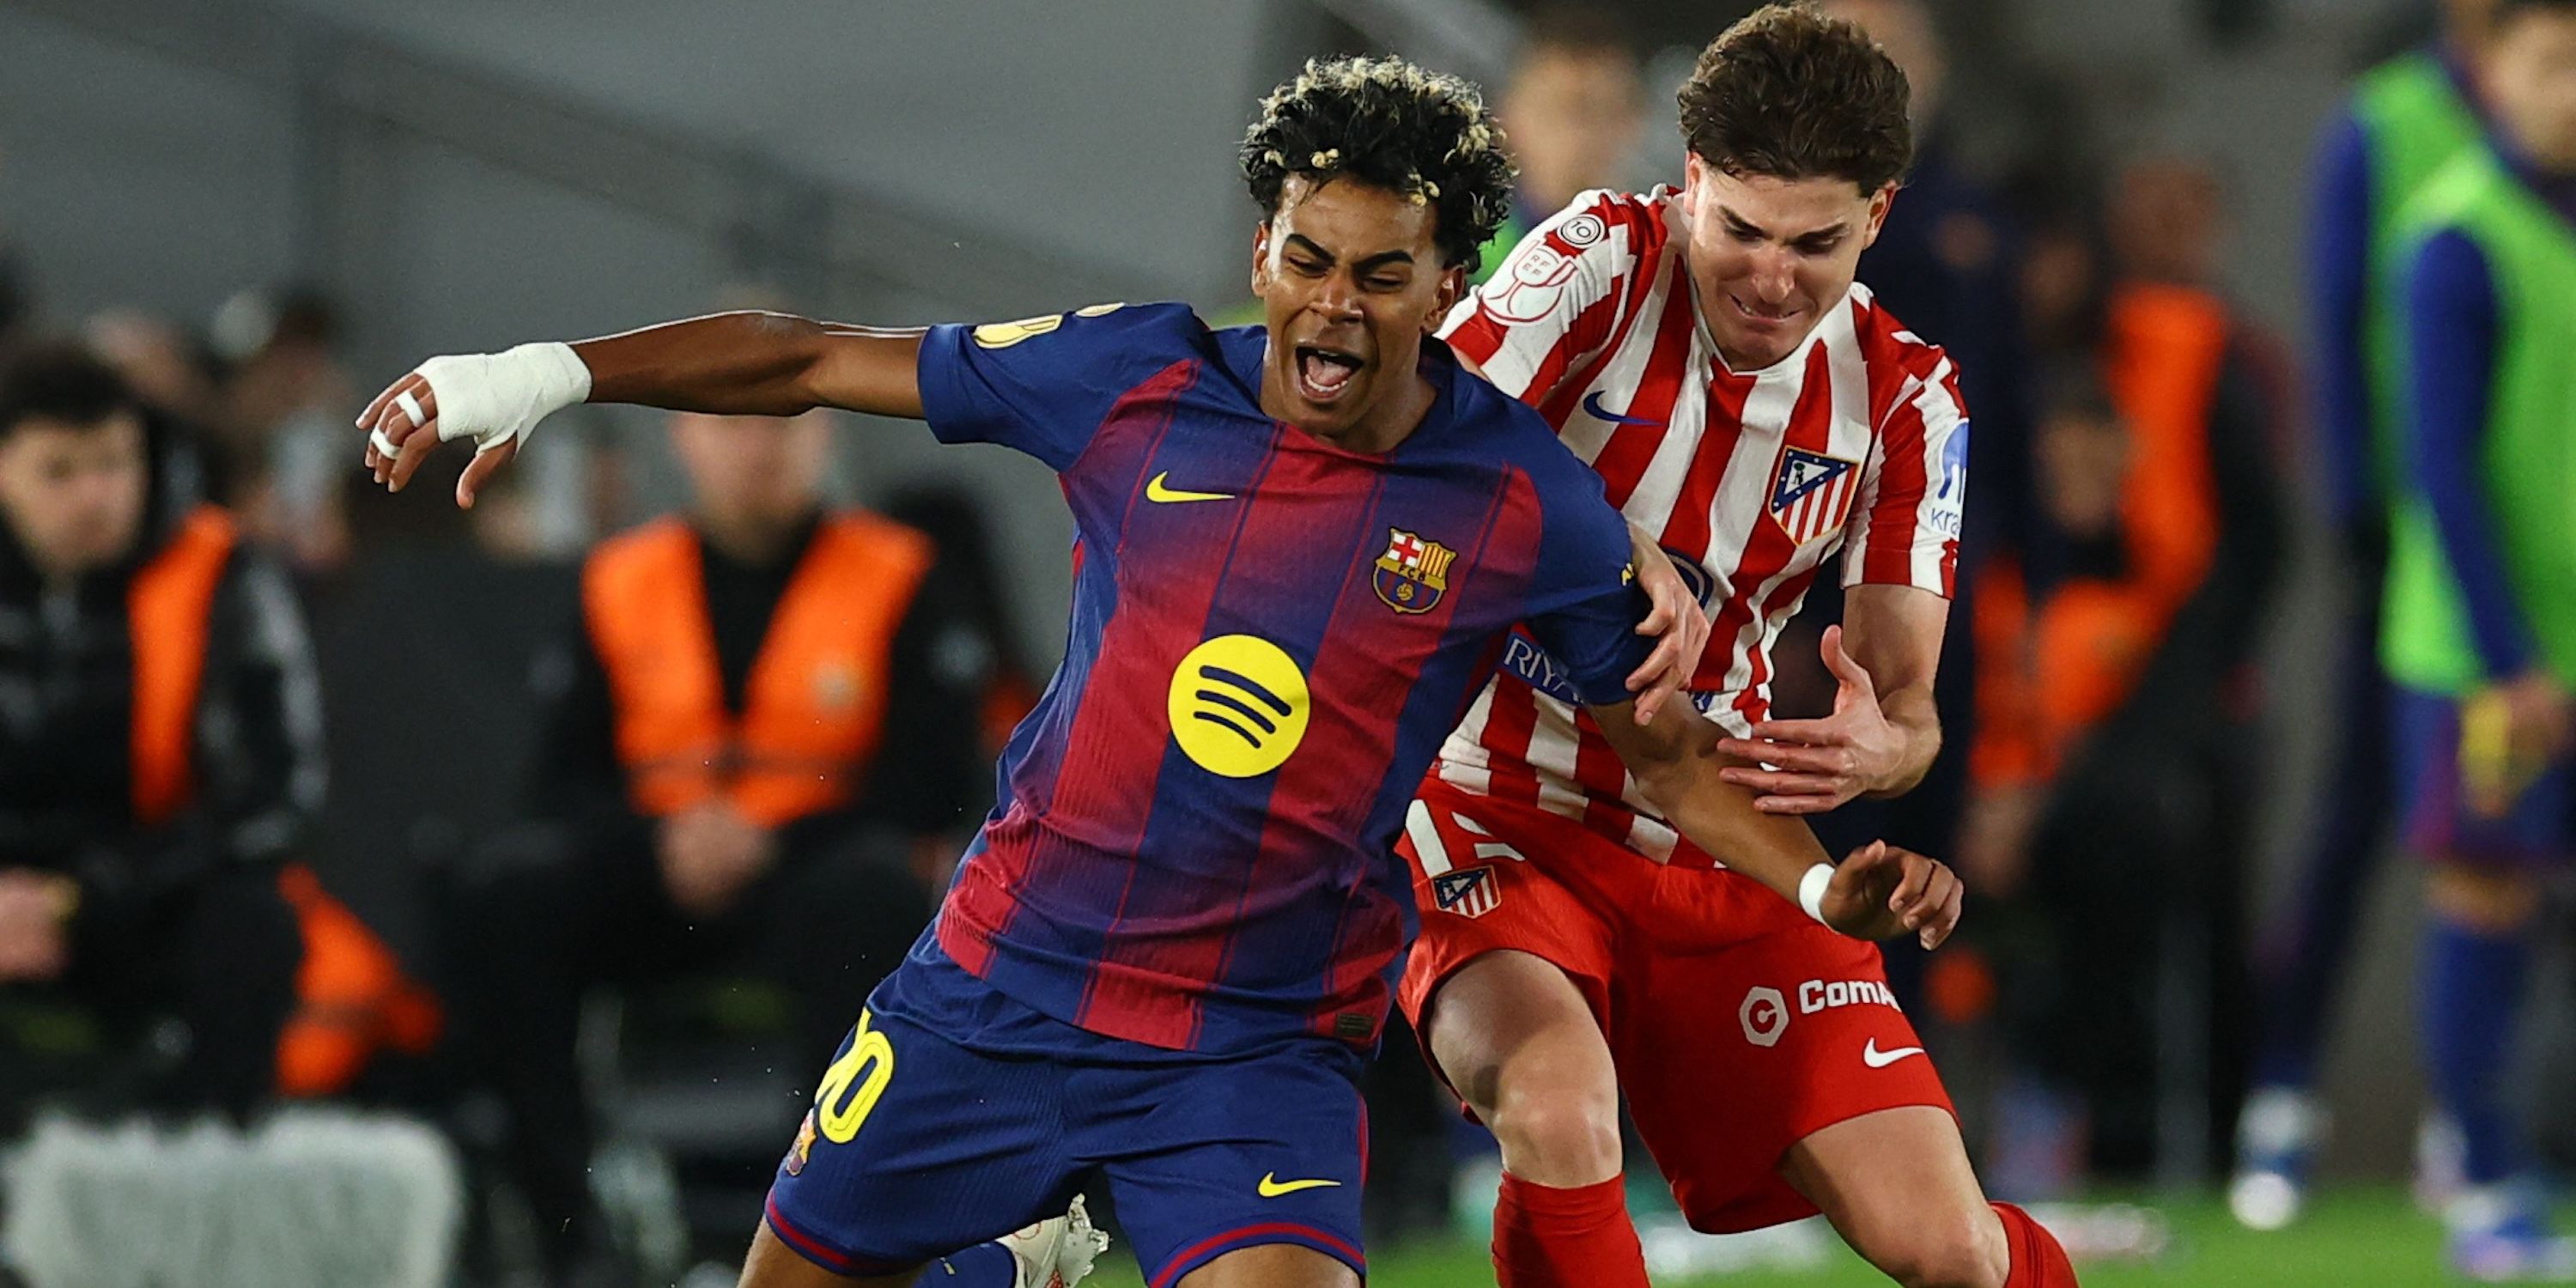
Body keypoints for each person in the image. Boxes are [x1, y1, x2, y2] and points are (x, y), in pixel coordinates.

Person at [360, 53, 1964, 1288]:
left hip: (1255, 1043)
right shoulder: (1129, 376)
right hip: (997, 988)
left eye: (1381, 273)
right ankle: (1003, 1266)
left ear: (1449, 288)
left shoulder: (1521, 500)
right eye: (1306, 256)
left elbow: (1665, 745)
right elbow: (801, 356)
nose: (1333, 307)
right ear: (1262, 248)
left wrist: (1820, 897)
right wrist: (539, 372)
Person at [1398, 10, 2070, 1288]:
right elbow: (1418, 419)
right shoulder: (1595, 255)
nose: (1771, 278)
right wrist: (1603, 541)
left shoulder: (1911, 395)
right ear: (1691, 180)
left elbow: (1912, 710)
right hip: (1489, 806)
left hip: (1717, 822)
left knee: (1956, 1252)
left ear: (1878, 214)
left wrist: (1883, 749)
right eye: (1742, 231)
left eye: (1814, 242)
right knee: (1555, 1109)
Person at [446, 404, 984, 1284]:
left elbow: (934, 781)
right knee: (510, 892)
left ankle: (808, 1229)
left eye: (782, 421)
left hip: (812, 879)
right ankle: (567, 1228)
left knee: (880, 889)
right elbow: (560, 782)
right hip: (652, 880)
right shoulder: (621, 577)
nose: (757, 445)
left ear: (824, 437)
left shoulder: (899, 573)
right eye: (730, 422)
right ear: (683, 438)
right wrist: (660, 840)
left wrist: (769, 838)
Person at [2230, 0, 2500, 1231]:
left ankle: (2473, 1125)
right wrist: (2359, 519)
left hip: (2535, 560)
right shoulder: (2384, 123)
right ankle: (2282, 1100)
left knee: (2511, 848)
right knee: (2360, 815)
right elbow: (2341, 328)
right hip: (2410, 550)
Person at [2376, 0, 2576, 1275]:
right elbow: (2442, 468)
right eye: (2555, 62)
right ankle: (2487, 1185)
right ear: (2491, 73)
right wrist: (2511, 663)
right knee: (2487, 900)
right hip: (2485, 660)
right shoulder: (2456, 235)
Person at [0, 341, 323, 1121]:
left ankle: (205, 1176)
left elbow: (276, 796)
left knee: (254, 922)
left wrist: (86, 896)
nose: (95, 497)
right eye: (59, 471)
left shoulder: (219, 575)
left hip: (143, 896)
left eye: (114, 463)